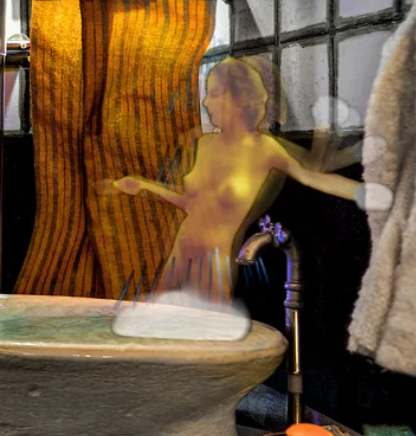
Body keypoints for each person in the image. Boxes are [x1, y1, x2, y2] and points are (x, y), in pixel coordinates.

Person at [113, 57, 388, 303]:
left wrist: (364, 193)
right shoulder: (205, 144)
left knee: (206, 336)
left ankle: (344, 138)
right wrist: (144, 186)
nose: (205, 102)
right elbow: (192, 203)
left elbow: (311, 177)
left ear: (239, 99)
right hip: (180, 252)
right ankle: (346, 140)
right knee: (155, 328)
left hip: (215, 263)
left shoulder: (264, 149)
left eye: (214, 94)